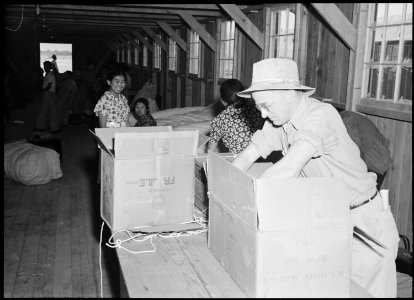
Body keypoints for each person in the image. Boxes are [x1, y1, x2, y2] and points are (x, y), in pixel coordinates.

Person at [232, 58, 399, 298]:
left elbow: (288, 169)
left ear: (289, 93)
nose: (262, 113)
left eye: (266, 105)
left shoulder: (321, 116)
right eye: (259, 107)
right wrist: (224, 190)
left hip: (364, 222)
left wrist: (245, 203)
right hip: (331, 219)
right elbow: (246, 157)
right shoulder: (280, 121)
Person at [208, 79, 265, 155]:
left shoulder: (220, 119)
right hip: (260, 158)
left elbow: (211, 151)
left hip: (237, 160)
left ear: (223, 101)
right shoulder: (258, 112)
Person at [35, 61, 60, 132]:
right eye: (44, 66)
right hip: (50, 94)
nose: (45, 68)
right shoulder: (48, 74)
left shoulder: (50, 75)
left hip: (49, 94)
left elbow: (49, 86)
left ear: (50, 67)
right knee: (51, 111)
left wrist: (43, 91)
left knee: (45, 110)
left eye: (46, 66)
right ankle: (54, 128)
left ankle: (41, 127)